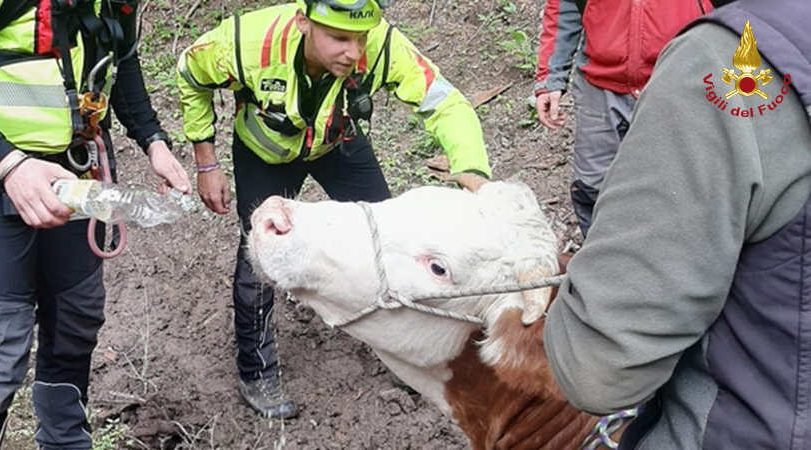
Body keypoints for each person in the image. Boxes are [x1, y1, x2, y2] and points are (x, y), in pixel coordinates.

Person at [177, 0, 491, 419]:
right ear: (303, 22)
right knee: (258, 256)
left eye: (360, 38)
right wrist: (206, 161)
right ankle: (256, 371)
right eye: (339, 39)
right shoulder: (247, 42)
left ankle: (401, 350)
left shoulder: (380, 44)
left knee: (388, 242)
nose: (354, 51)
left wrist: (473, 170)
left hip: (335, 139)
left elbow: (445, 102)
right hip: (264, 152)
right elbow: (189, 72)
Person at [0, 0, 191, 447]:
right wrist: (9, 165)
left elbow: (118, 55)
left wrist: (152, 140)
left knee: (74, 330)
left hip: (75, 177)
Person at [543, 0, 811, 448]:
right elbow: (564, 10)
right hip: (605, 82)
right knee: (593, 189)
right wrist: (550, 78)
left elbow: (598, 368)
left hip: (741, 428)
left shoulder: (725, 59)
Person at [534, 0, 712, 238]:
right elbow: (563, 5)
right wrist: (551, 78)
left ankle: (671, 265)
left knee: (678, 188)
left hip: (678, 78)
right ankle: (601, 267)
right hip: (599, 81)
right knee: (593, 189)